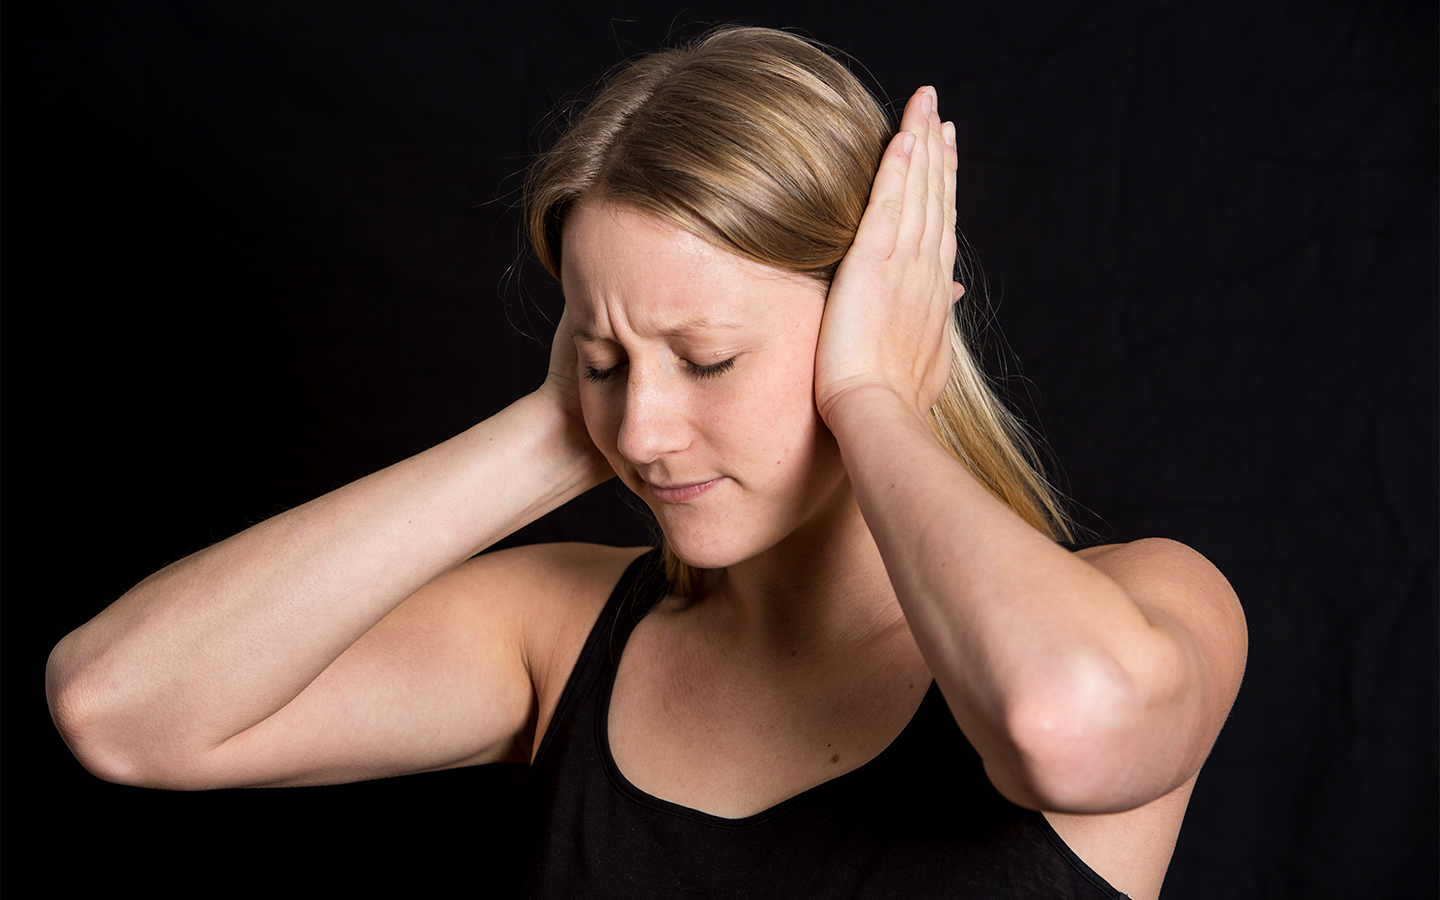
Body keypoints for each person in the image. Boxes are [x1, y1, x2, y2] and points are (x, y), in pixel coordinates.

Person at [46, 26, 1246, 900]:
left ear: (885, 320)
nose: (643, 432)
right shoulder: (562, 634)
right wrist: (553, 427)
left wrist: (877, 395)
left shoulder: (1147, 605)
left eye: (709, 359)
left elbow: (1065, 728)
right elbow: (123, 709)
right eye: (606, 358)